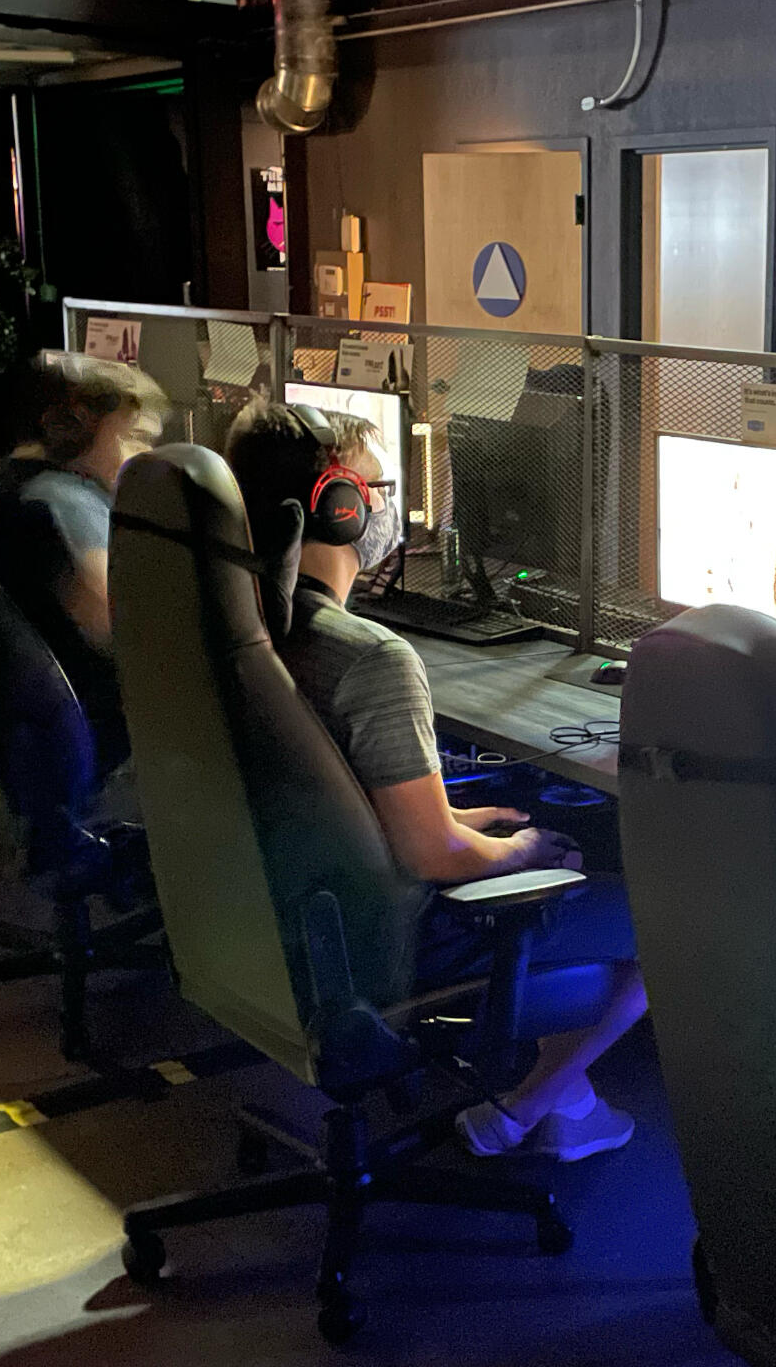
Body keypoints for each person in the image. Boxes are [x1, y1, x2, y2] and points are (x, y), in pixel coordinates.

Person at [223, 398, 646, 1160]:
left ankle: (565, 1100)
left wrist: (455, 816)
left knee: (518, 827)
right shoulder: (371, 660)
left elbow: (330, 793)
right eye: (383, 489)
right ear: (341, 508)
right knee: (660, 915)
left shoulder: (240, 629)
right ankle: (531, 1110)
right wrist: (526, 850)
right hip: (394, 947)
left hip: (284, 919)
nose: (396, 508)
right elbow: (434, 859)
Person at [0, 352, 169, 772]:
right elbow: (118, 632)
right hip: (95, 739)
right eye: (135, 437)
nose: (143, 456)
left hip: (35, 723)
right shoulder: (67, 501)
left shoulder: (22, 486)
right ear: (82, 425)